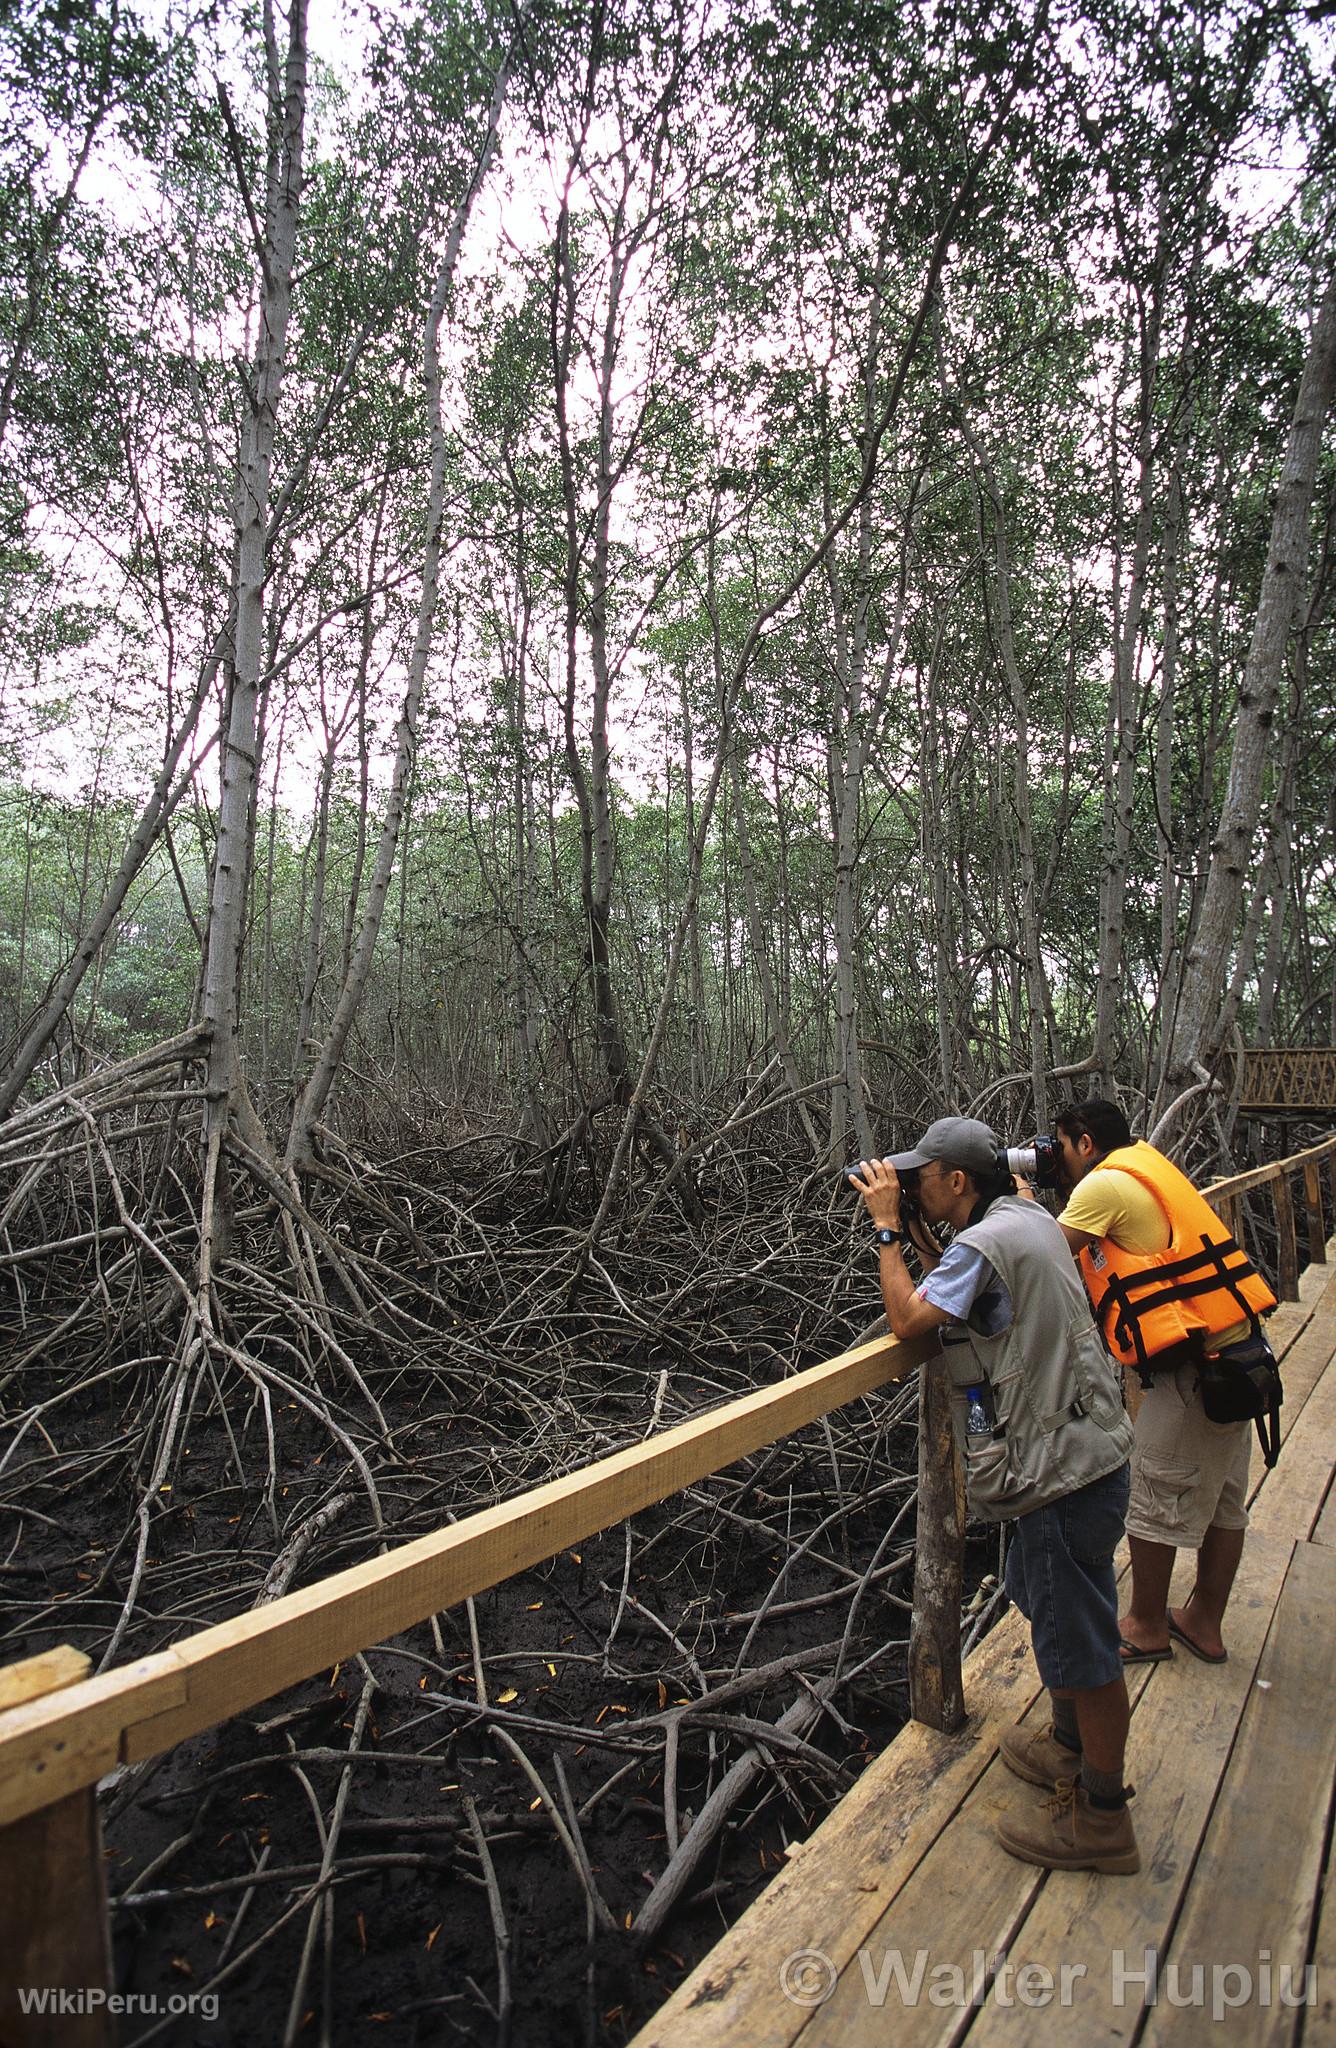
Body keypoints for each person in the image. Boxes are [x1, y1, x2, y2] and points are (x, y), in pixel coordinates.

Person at [852, 1115, 1139, 1876]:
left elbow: (912, 1315)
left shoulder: (985, 1241)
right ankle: (1069, 1749)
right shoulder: (1026, 1217)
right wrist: (916, 1230)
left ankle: (1104, 1819)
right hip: (1087, 1450)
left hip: (1058, 1470)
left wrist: (887, 1232)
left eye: (921, 1176)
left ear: (958, 1181)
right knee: (1052, 1598)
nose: (910, 1185)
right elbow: (967, 1288)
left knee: (1082, 1638)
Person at [1052, 1099, 1277, 1666]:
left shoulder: (1102, 1186)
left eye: (1060, 1146)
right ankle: (1203, 1622)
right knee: (1227, 1504)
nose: (1058, 1158)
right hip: (1239, 1356)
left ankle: (1147, 1624)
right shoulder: (1147, 1164)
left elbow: (1043, 1258)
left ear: (1084, 1142)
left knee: (1151, 1496)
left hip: (1195, 1374)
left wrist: (1023, 1204)